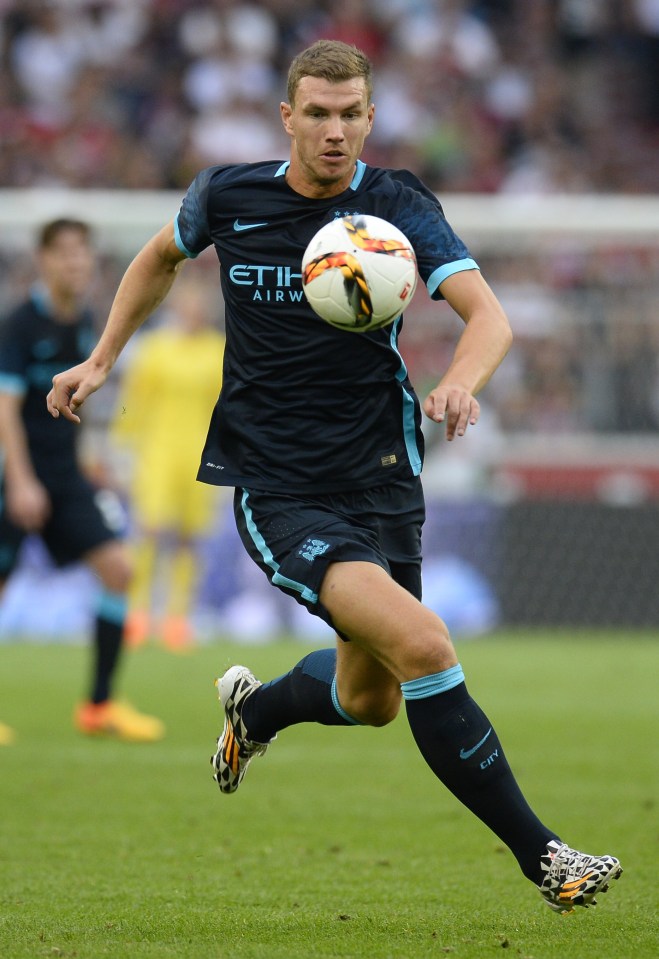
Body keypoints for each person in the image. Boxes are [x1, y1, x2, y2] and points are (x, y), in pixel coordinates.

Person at [47, 41, 622, 912]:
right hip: (280, 488)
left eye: (350, 113)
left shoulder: (395, 208)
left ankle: (257, 712)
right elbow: (158, 259)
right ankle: (545, 856)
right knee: (427, 643)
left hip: (384, 476)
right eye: (317, 113)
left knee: (375, 696)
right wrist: (102, 358)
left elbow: (488, 316)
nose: (334, 130)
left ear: (370, 118)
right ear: (287, 116)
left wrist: (460, 379)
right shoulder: (228, 194)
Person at [0, 218, 164, 743]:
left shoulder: (89, 320)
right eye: (65, 254)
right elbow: (5, 409)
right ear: (44, 260)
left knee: (117, 569)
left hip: (66, 475)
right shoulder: (19, 324)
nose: (76, 263)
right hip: (15, 475)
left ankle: (99, 707)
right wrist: (20, 480)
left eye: (82, 254)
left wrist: (93, 461)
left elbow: (78, 399)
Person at [110, 276, 226, 650]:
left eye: (199, 307)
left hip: (199, 455)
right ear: (176, 308)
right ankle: (137, 613)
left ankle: (178, 617)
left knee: (189, 539)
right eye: (187, 306)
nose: (193, 313)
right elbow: (131, 399)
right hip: (157, 452)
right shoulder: (155, 349)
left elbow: (225, 406)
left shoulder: (217, 350)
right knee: (150, 531)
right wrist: (121, 440)